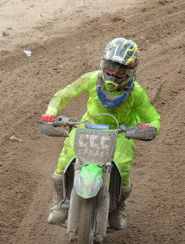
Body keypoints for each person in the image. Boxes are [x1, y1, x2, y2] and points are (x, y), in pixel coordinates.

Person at [41, 37, 161, 231]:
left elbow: (153, 117)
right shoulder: (91, 79)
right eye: (111, 68)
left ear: (131, 72)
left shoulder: (136, 93)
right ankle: (60, 201)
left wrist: (150, 127)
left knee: (122, 165)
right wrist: (51, 112)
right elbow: (64, 94)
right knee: (65, 160)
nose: (113, 74)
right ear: (103, 64)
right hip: (88, 125)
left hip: (121, 131)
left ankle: (119, 206)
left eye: (120, 71)